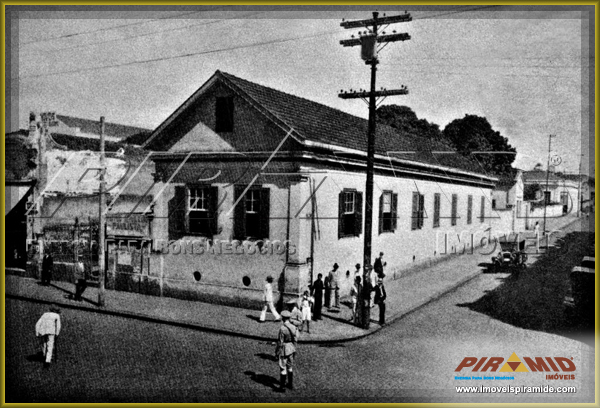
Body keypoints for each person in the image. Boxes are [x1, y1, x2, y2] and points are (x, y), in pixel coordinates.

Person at [275, 310, 298, 392]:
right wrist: (294, 349)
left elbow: (280, 342)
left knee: (283, 368)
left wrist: (277, 352)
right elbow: (295, 339)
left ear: (282, 318)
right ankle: (290, 384)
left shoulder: (282, 328)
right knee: (290, 367)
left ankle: (282, 387)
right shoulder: (294, 327)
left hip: (284, 349)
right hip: (291, 348)